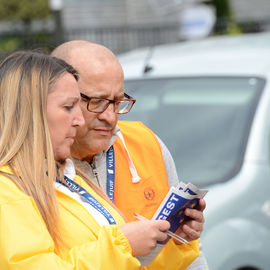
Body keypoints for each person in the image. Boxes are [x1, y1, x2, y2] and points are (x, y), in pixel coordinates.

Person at [0, 51, 199, 269]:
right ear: (31, 112)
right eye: (69, 107)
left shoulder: (70, 177)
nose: (78, 119)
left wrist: (174, 240)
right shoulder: (7, 190)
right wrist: (123, 245)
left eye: (117, 102)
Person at [52, 40, 209, 269]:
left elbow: (191, 257)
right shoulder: (30, 168)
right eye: (97, 102)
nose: (111, 117)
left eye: (118, 101)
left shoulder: (146, 144)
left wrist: (183, 236)